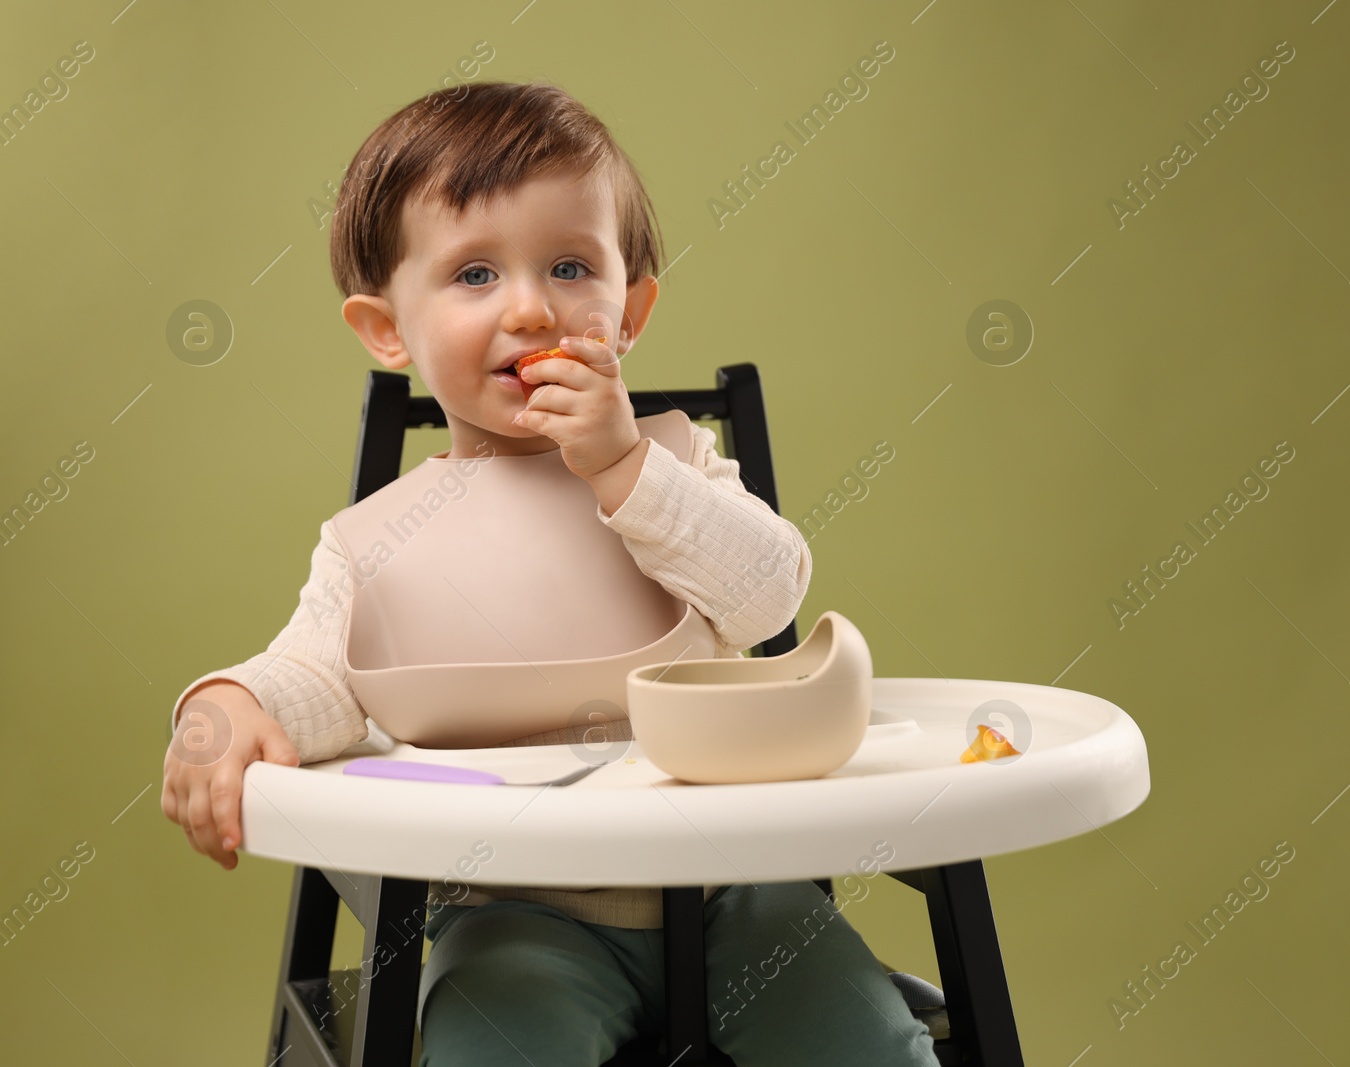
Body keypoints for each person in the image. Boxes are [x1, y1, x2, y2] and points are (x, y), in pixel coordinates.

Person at [160, 79, 940, 1066]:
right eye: (475, 274)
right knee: (490, 1044)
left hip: (735, 889)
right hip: (513, 905)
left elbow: (767, 594)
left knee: (868, 1042)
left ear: (630, 311)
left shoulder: (679, 468)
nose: (530, 309)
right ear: (386, 328)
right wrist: (228, 699)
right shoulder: (375, 540)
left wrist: (625, 469)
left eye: (570, 266)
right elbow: (318, 677)